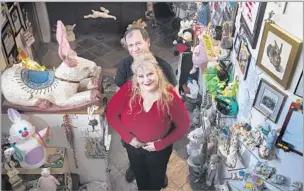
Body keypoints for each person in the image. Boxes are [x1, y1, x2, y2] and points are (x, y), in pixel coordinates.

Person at [106, 53, 190, 191]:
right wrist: (128, 138)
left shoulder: (169, 95)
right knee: (140, 177)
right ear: (136, 78)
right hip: (134, 147)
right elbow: (111, 113)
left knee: (156, 181)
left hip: (159, 150)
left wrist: (160, 144)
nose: (146, 80)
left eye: (150, 74)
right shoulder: (128, 89)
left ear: (158, 73)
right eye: (141, 76)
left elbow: (183, 125)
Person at [115, 26, 178, 186]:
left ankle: (159, 173)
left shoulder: (164, 67)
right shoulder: (124, 66)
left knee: (157, 168)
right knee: (138, 166)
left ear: (148, 42)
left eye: (138, 43)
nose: (135, 49)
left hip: (159, 132)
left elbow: (175, 103)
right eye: (131, 45)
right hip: (134, 130)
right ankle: (136, 168)